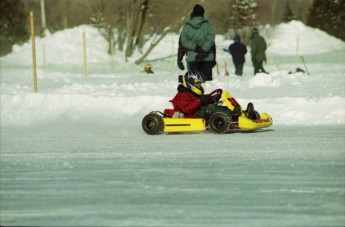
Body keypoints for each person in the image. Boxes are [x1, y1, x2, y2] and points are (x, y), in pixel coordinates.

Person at [171, 70, 235, 119]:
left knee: (215, 107)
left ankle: (233, 113)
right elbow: (187, 110)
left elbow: (203, 102)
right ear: (190, 83)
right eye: (197, 84)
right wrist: (200, 101)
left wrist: (213, 99)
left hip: (199, 112)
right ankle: (232, 115)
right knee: (210, 108)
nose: (199, 86)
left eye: (200, 84)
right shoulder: (182, 95)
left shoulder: (193, 93)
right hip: (192, 115)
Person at [179, 4, 216, 81]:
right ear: (202, 13)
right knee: (207, 83)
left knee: (194, 83)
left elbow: (184, 41)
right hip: (207, 57)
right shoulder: (208, 25)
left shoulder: (187, 27)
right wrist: (204, 49)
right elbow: (211, 40)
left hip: (192, 58)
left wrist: (195, 47)